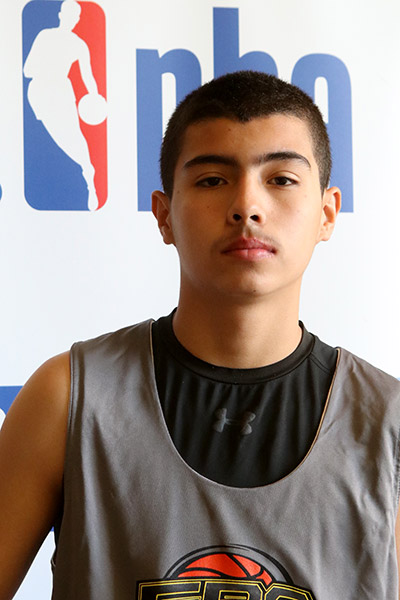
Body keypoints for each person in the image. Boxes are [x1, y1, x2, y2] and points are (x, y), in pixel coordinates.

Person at [0, 71, 399, 599]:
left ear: (327, 213)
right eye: (212, 180)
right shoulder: (69, 398)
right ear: (164, 215)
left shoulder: (388, 424)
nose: (247, 206)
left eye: (281, 179)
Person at [23, 0, 100, 211]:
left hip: (62, 93)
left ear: (77, 19)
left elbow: (88, 76)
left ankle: (88, 174)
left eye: (75, 17)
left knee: (73, 136)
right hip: (39, 93)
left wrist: (94, 97)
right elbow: (27, 70)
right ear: (60, 15)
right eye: (69, 15)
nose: (72, 20)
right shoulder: (45, 36)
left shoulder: (79, 45)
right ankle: (85, 170)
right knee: (55, 138)